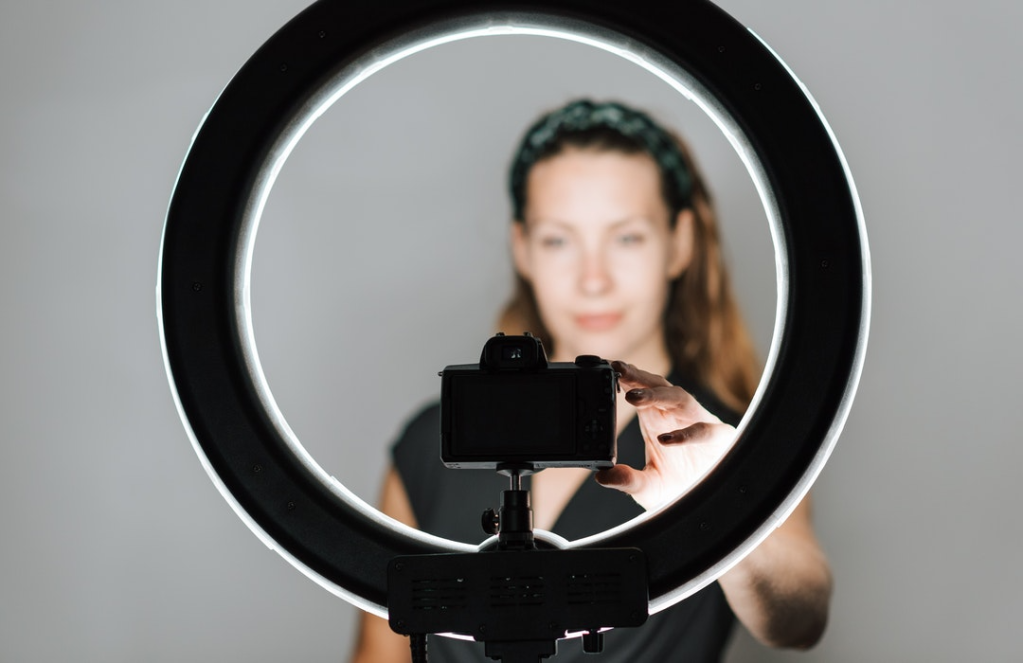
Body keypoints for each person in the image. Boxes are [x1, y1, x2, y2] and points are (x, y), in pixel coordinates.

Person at [350, 99, 832, 662]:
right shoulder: (429, 446)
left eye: (627, 238)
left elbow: (801, 616)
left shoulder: (725, 445)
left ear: (680, 243)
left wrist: (723, 510)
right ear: (522, 248)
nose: (593, 279)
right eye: (559, 240)